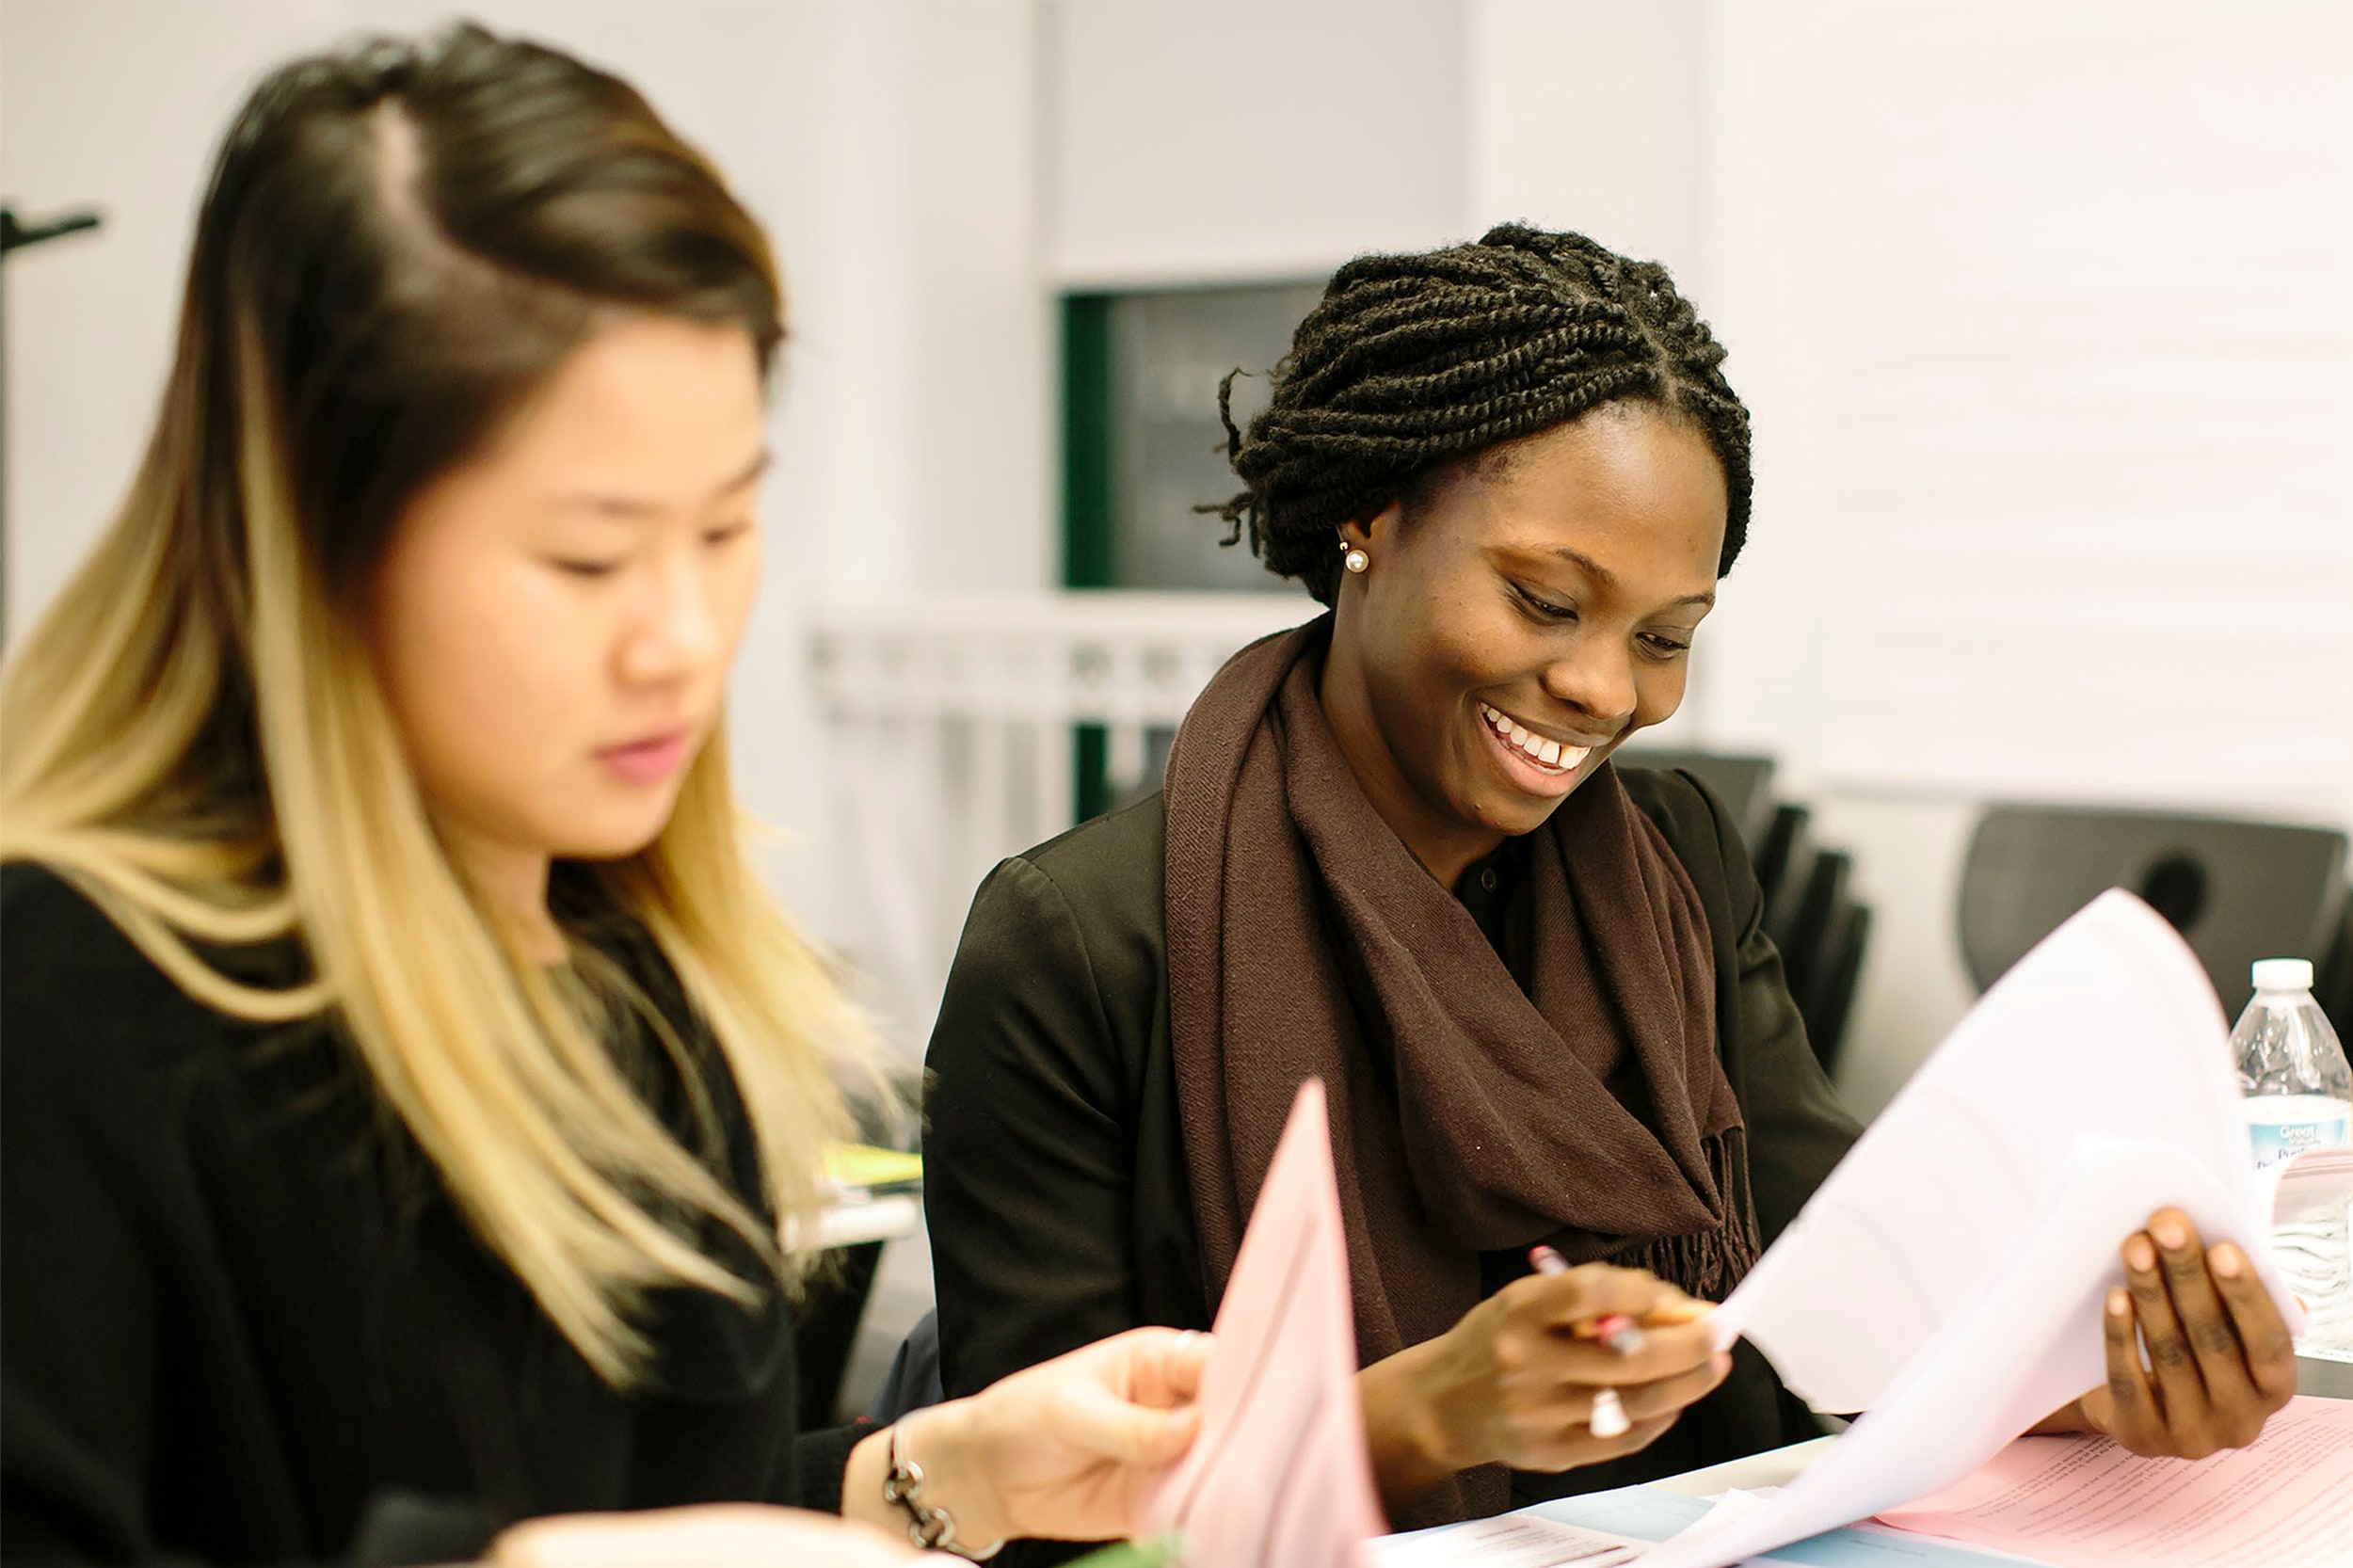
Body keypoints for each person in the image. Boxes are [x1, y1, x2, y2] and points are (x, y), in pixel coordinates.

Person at [0, 25, 1212, 1567]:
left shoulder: (646, 981)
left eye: (723, 530)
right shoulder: (63, 1007)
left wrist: (945, 1474)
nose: (684, 642)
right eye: (586, 557)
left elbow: (629, 1508)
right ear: (312, 544)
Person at [920, 225, 2299, 1546]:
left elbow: (1842, 1287)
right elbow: (1030, 1520)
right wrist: (1414, 1416)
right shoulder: (1083, 943)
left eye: (1664, 635)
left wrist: (2089, 1380)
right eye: (1542, 599)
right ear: (1369, 519)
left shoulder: (1678, 862)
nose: (1599, 688)